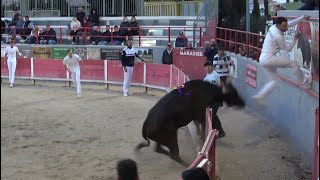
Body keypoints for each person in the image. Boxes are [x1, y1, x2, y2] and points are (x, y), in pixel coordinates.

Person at [252, 16, 312, 108]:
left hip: (263, 58)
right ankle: (304, 82)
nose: (286, 27)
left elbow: (290, 24)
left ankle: (260, 96)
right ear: (278, 25)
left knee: (275, 81)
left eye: (286, 25)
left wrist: (302, 17)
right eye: (284, 26)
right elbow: (287, 49)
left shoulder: (273, 27)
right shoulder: (278, 36)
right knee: (293, 64)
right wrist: (295, 38)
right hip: (269, 58)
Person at [203, 61, 225, 138]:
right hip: (212, 98)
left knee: (213, 115)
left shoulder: (214, 75)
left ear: (212, 67)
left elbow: (211, 87)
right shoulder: (208, 74)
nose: (207, 68)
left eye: (209, 66)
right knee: (212, 115)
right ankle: (217, 131)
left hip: (216, 98)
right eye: (206, 67)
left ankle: (219, 131)